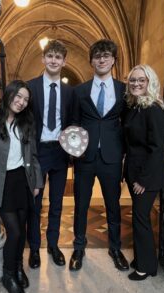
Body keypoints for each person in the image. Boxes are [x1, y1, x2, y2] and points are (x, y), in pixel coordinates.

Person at [0, 80, 43, 293]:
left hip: (22, 180)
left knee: (21, 229)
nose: (22, 102)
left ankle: (19, 267)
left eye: (26, 99)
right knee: (13, 231)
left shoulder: (25, 124)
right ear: (9, 94)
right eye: (19, 96)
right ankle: (8, 274)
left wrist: (37, 183)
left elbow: (32, 156)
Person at [69, 39, 129, 271]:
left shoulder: (123, 90)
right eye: (97, 56)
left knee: (113, 205)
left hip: (112, 158)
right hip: (85, 158)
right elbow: (74, 122)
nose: (102, 59)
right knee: (81, 205)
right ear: (91, 61)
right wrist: (74, 151)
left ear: (113, 60)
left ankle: (115, 248)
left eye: (106, 55)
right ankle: (78, 248)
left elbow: (128, 123)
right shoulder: (80, 90)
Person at [27, 40, 73, 268]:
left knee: (56, 203)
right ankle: (34, 249)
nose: (54, 60)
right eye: (50, 56)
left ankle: (53, 245)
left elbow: (73, 122)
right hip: (37, 152)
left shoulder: (69, 91)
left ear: (64, 61)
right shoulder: (30, 87)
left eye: (58, 57)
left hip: (60, 152)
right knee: (35, 203)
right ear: (43, 59)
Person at [123, 64, 164, 280]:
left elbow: (157, 149)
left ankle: (146, 267)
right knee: (139, 218)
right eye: (133, 80)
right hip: (133, 172)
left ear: (150, 82)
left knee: (140, 218)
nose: (136, 84)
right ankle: (143, 257)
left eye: (141, 80)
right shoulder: (135, 107)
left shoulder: (154, 109)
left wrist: (143, 180)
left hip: (145, 176)